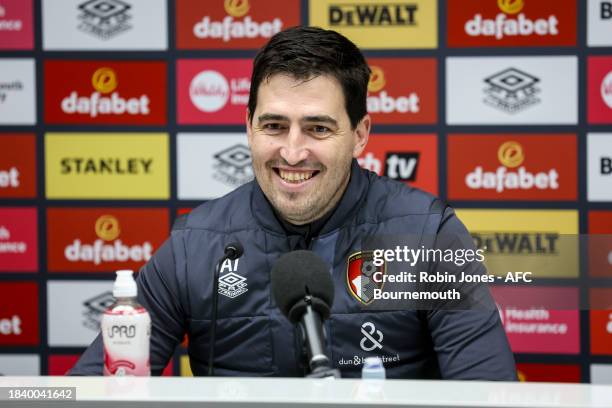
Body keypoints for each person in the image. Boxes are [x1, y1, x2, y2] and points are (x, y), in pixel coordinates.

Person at [70, 26, 517, 379]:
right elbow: (94, 386)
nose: (292, 152)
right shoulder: (195, 244)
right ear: (248, 127)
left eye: (318, 129)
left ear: (360, 135)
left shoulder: (426, 235)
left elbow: (486, 391)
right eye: (274, 126)